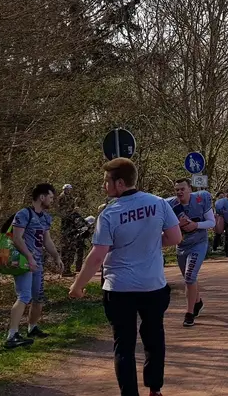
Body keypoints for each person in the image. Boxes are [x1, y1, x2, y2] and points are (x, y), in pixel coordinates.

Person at [69, 158, 181, 396]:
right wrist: (150, 243)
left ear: (119, 183)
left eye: (106, 181)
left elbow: (97, 256)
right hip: (153, 286)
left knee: (124, 345)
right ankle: (155, 388)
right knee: (154, 338)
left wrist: (77, 286)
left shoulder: (109, 214)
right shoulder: (159, 203)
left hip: (119, 289)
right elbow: (174, 238)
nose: (103, 186)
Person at [5, 183, 64, 349]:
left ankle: (32, 328)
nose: (52, 200)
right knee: (24, 296)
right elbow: (17, 238)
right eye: (51, 197)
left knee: (38, 297)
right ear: (42, 197)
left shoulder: (45, 217)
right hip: (23, 262)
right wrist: (29, 257)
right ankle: (12, 335)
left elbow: (47, 240)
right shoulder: (24, 214)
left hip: (37, 263)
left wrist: (56, 256)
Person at [167, 178, 215, 327]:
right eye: (177, 190)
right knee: (189, 279)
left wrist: (196, 224)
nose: (179, 192)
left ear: (190, 189)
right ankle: (198, 302)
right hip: (181, 246)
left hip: (198, 243)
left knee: (189, 276)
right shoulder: (170, 204)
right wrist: (176, 225)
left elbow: (211, 222)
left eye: (182, 189)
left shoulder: (201, 199)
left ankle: (189, 313)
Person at [57, 183, 79, 277]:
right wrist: (73, 211)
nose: (69, 191)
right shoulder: (62, 197)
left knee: (70, 248)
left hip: (70, 223)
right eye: (68, 189)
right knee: (67, 247)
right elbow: (63, 211)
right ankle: (65, 270)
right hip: (66, 224)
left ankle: (67, 269)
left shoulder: (70, 197)